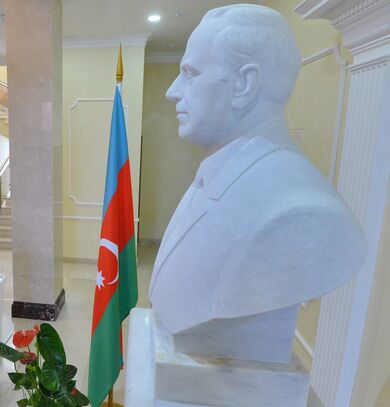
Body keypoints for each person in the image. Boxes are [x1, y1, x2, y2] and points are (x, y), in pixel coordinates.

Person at [148, 4, 366, 362]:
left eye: (190, 72)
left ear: (244, 84)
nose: (173, 91)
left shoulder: (301, 211)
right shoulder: (215, 175)